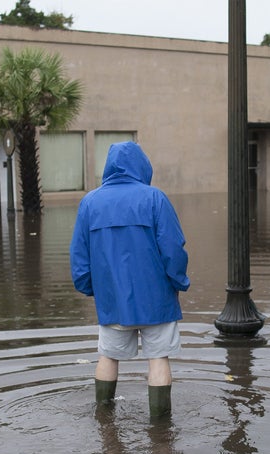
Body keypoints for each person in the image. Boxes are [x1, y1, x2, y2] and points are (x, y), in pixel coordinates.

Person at [70, 142, 190, 418]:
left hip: (111, 299)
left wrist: (93, 288)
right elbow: (172, 247)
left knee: (108, 356)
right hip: (157, 299)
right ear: (142, 165)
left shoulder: (90, 202)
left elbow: (79, 255)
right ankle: (161, 429)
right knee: (158, 358)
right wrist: (179, 281)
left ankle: (104, 418)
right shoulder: (155, 198)